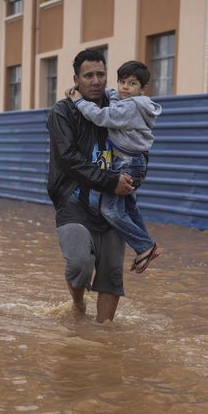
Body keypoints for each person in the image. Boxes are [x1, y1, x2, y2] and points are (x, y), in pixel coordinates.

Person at [46, 49, 136, 322]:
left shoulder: (119, 110)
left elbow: (140, 149)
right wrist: (111, 180)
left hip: (113, 204)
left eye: (100, 74)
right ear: (76, 79)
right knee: (79, 264)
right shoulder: (63, 112)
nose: (96, 81)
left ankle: (104, 334)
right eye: (88, 76)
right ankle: (78, 303)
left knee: (111, 274)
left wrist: (132, 180)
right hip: (73, 201)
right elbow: (68, 159)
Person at [65, 60, 163, 274]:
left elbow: (101, 116)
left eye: (132, 83)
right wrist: (105, 90)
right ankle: (147, 247)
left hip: (127, 163)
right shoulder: (132, 101)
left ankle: (145, 247)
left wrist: (78, 100)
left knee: (109, 210)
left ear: (142, 89)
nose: (125, 87)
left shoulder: (131, 107)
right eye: (122, 82)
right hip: (132, 160)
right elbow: (116, 97)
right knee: (130, 207)